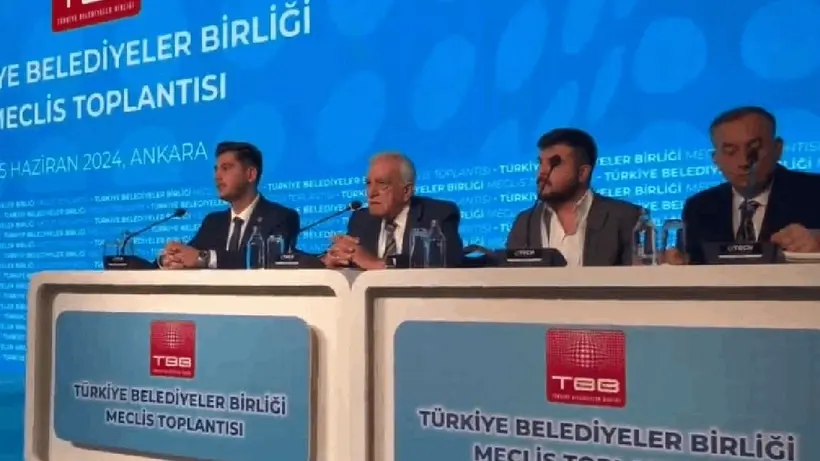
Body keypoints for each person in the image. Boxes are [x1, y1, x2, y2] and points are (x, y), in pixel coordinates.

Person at [668, 106, 820, 264]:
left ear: (778, 149)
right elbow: (694, 263)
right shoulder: (699, 207)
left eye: (754, 148)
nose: (744, 161)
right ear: (715, 159)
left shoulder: (815, 192)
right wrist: (677, 263)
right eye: (730, 151)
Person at [506, 128, 641, 266]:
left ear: (582, 173)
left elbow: (639, 276)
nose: (542, 172)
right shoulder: (525, 223)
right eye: (540, 163)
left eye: (555, 163)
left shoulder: (625, 218)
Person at [159, 141, 300, 269]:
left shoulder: (281, 217)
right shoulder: (213, 222)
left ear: (250, 174)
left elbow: (268, 259)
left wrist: (205, 258)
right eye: (216, 169)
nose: (217, 176)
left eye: (226, 168)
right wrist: (170, 258)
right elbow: (191, 254)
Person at [323, 152, 464, 269]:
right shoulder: (361, 220)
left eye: (382, 184)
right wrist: (335, 261)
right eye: (368, 183)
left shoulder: (437, 215)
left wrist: (377, 264)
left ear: (406, 191)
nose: (371, 193)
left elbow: (447, 267)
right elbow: (352, 262)